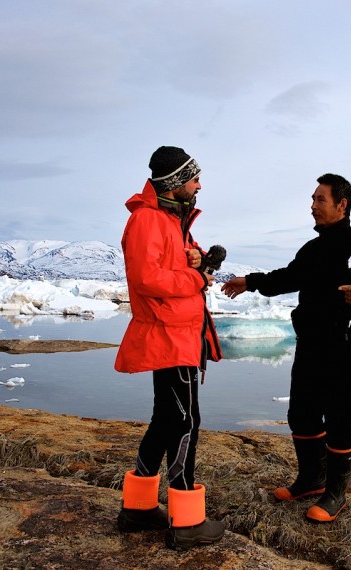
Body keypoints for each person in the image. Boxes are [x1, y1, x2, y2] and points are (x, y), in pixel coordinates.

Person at [222, 173, 351, 523]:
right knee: (301, 414)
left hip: (340, 346)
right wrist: (249, 282)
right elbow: (287, 277)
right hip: (309, 344)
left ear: (341, 205)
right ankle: (312, 479)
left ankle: (336, 494)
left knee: (339, 418)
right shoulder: (312, 249)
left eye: (319, 200)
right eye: (312, 199)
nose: (312, 206)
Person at [114, 146, 224, 550]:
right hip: (169, 332)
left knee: (167, 418)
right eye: (194, 177)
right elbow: (147, 279)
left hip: (180, 331)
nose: (199, 184)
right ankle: (187, 519)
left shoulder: (171, 219)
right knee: (185, 421)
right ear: (176, 183)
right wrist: (196, 280)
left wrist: (195, 259)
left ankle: (138, 509)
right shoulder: (147, 219)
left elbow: (168, 267)